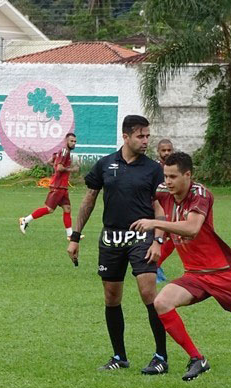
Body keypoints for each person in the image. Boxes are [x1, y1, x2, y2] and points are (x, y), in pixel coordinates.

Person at [130, 152, 231, 381]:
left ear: (188, 175)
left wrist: (155, 223)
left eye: (173, 176)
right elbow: (141, 191)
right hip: (194, 275)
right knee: (162, 302)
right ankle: (197, 359)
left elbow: (192, 228)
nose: (168, 181)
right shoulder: (164, 192)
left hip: (223, 273)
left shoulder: (200, 195)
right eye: (165, 176)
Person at [67, 115, 169, 374]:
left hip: (142, 236)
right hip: (111, 238)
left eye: (148, 136)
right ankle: (119, 356)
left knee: (149, 295)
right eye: (140, 136)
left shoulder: (154, 169)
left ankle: (161, 357)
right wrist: (75, 237)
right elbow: (89, 200)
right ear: (125, 137)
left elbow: (160, 208)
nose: (146, 141)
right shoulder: (105, 164)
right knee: (112, 298)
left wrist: (158, 239)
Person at [19, 133, 79, 239]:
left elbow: (49, 162)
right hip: (58, 186)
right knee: (49, 209)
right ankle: (25, 220)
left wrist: (56, 166)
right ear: (66, 141)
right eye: (71, 141)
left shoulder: (63, 152)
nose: (74, 143)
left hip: (63, 187)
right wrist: (72, 169)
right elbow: (60, 168)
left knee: (67, 208)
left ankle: (70, 235)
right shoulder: (64, 152)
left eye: (75, 141)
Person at [154, 139, 175, 283]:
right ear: (158, 151)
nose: (166, 153)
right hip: (158, 210)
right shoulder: (154, 169)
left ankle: (155, 267)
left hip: (173, 209)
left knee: (173, 238)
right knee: (163, 239)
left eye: (169, 150)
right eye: (163, 150)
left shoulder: (176, 168)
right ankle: (154, 268)